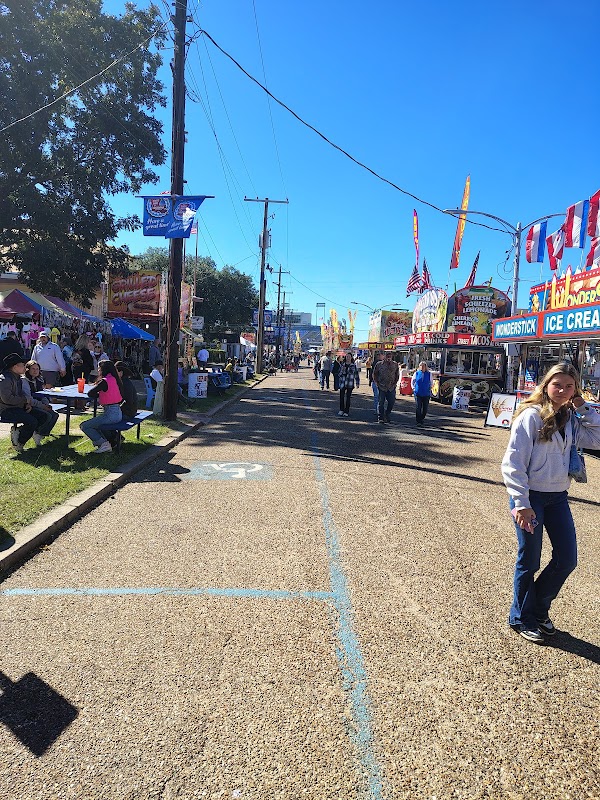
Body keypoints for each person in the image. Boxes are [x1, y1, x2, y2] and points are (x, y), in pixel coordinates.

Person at [501, 362, 600, 644]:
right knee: (529, 560)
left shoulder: (570, 417)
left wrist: (582, 407)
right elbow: (513, 463)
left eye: (570, 386)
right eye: (558, 384)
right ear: (546, 385)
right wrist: (520, 503)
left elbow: (597, 437)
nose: (563, 390)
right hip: (530, 497)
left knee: (567, 559)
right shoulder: (530, 416)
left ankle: (539, 610)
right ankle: (521, 617)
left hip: (558, 497)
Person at [0, 354, 57, 452]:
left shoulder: (16, 377)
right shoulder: (5, 379)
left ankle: (19, 432)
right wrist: (24, 401)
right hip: (6, 410)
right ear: (15, 367)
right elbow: (7, 399)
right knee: (32, 421)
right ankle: (19, 443)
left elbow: (20, 396)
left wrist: (26, 404)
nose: (24, 367)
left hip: (18, 407)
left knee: (44, 416)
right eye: (22, 365)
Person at [81, 360, 124, 454]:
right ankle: (109, 441)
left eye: (99, 368)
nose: (98, 370)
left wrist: (99, 395)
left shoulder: (104, 382)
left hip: (110, 414)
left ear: (103, 369)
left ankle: (104, 444)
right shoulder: (114, 379)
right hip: (117, 411)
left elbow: (90, 393)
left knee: (85, 426)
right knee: (95, 423)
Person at [22, 360, 59, 443]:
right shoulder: (24, 381)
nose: (35, 371)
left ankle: (41, 434)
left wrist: (46, 404)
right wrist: (43, 406)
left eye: (37, 369)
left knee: (55, 415)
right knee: (47, 416)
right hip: (28, 405)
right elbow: (29, 399)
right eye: (33, 369)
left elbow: (43, 395)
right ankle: (35, 432)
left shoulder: (39, 380)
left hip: (39, 404)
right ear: (28, 369)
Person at [105, 361, 139, 448]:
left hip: (128, 412)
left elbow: (128, 402)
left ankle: (114, 440)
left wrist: (118, 409)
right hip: (128, 410)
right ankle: (116, 437)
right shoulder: (123, 382)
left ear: (121, 372)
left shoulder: (125, 384)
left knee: (104, 422)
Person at [373, 352, 399, 423]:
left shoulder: (395, 365)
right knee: (381, 402)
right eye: (387, 355)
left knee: (391, 401)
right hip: (381, 386)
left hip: (391, 387)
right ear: (384, 356)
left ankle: (387, 414)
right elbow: (375, 374)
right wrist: (377, 383)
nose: (388, 357)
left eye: (390, 356)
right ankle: (380, 417)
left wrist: (394, 383)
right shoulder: (379, 364)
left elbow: (397, 374)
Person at [337, 352, 360, 417]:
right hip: (343, 383)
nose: (348, 358)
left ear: (351, 358)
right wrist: (342, 373)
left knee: (348, 398)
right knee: (341, 397)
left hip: (350, 383)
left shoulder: (353, 365)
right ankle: (341, 410)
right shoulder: (342, 365)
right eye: (347, 356)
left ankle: (346, 411)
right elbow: (339, 374)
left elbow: (356, 375)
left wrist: (357, 383)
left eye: (349, 357)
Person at [411, 361, 431, 426]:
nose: (422, 367)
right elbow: (413, 381)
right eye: (421, 366)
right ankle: (418, 420)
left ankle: (422, 418)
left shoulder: (429, 374)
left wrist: (429, 389)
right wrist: (413, 388)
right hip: (418, 393)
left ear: (426, 367)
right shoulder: (416, 373)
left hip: (426, 394)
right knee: (418, 407)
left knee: (425, 408)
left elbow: (431, 383)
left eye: (423, 366)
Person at [371, 352, 382, 417]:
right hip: (378, 382)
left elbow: (371, 373)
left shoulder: (374, 363)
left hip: (376, 382)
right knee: (379, 397)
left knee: (377, 397)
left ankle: (377, 410)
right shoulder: (379, 363)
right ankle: (378, 410)